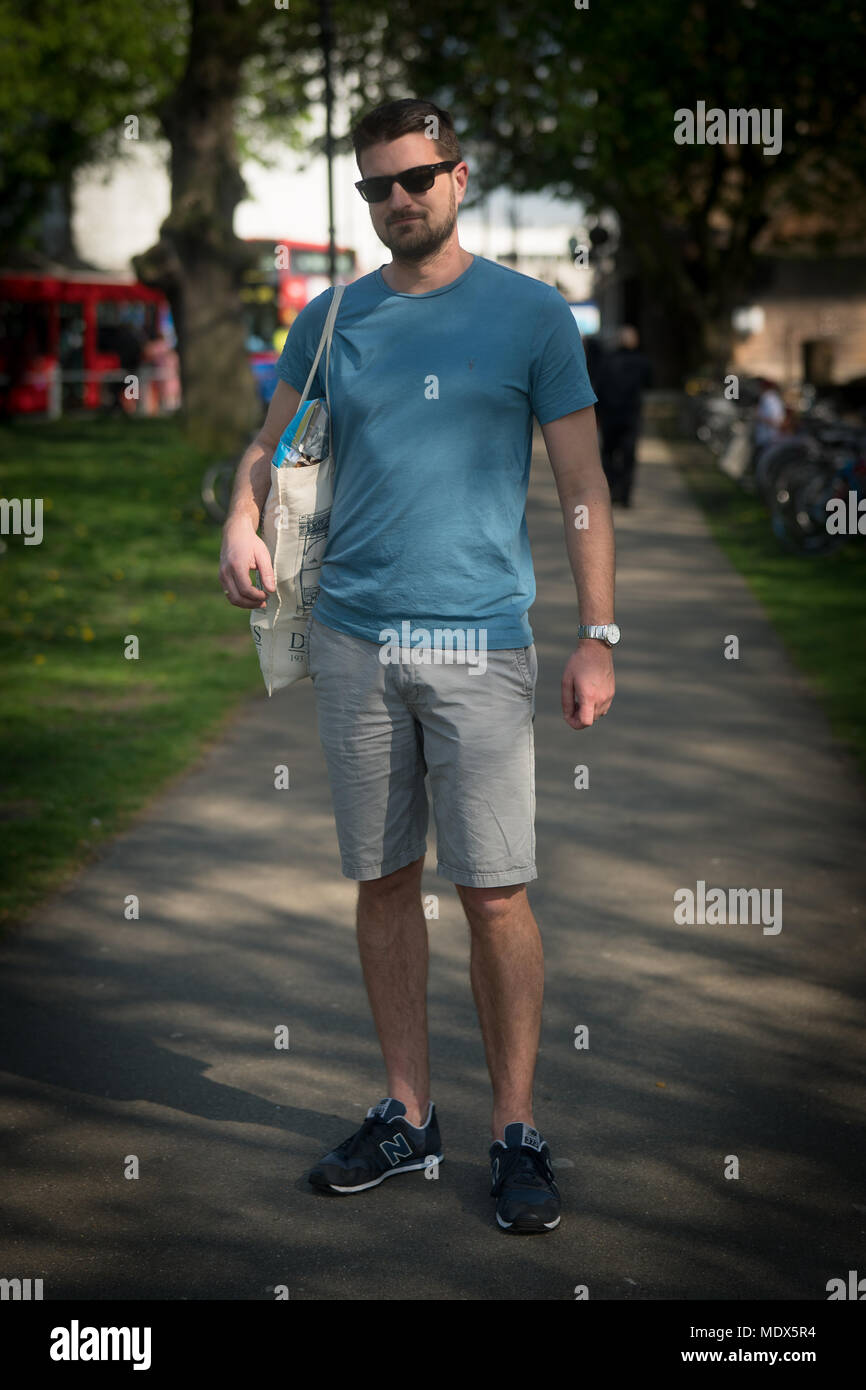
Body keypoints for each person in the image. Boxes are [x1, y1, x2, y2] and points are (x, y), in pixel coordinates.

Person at [219, 99, 618, 1235]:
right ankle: (407, 1113)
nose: (399, 199)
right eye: (378, 185)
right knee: (385, 878)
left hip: (481, 642)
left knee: (491, 890)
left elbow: (582, 484)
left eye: (418, 177)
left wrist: (598, 632)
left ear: (457, 175)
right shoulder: (331, 315)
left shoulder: (532, 315)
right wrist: (239, 518)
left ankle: (515, 1129)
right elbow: (268, 443)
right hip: (351, 639)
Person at [594, 324, 652, 506]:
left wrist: (597, 413)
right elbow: (650, 384)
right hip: (630, 417)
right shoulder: (642, 362)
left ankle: (612, 488)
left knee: (608, 455)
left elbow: (598, 388)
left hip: (611, 416)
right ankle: (624, 494)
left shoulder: (607, 360)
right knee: (627, 457)